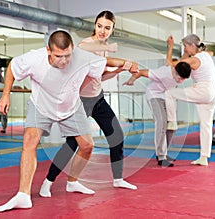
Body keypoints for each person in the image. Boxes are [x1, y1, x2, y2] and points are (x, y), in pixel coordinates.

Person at [0, 30, 138, 212]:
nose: (63, 61)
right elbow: (12, 68)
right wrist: (5, 95)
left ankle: (73, 182)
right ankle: (23, 195)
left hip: (71, 106)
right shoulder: (34, 59)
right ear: (48, 50)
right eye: (58, 56)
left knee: (87, 146)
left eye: (67, 55)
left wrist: (127, 64)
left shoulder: (81, 57)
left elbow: (105, 62)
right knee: (29, 141)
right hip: (42, 105)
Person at [39, 11, 137, 199]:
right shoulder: (85, 46)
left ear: (112, 29)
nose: (103, 31)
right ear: (95, 25)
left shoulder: (103, 47)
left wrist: (117, 71)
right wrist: (124, 62)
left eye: (107, 28)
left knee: (117, 136)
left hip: (98, 100)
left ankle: (117, 179)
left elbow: (98, 75)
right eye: (99, 26)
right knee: (72, 144)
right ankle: (48, 182)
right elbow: (97, 59)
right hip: (80, 102)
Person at [122, 37, 191, 167]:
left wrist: (170, 46)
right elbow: (141, 72)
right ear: (175, 72)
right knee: (161, 122)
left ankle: (164, 152)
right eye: (180, 78)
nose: (181, 81)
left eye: (184, 80)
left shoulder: (175, 68)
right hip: (153, 95)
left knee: (171, 127)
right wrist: (132, 80)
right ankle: (161, 156)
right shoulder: (163, 73)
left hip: (163, 96)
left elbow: (168, 60)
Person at [165, 34, 215, 166]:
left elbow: (170, 64)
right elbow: (185, 59)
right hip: (213, 91)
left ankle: (171, 122)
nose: (184, 49)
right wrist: (185, 52)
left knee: (169, 93)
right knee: (206, 125)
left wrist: (170, 47)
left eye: (185, 46)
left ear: (192, 45)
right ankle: (204, 157)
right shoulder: (206, 55)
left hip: (203, 90)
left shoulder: (195, 59)